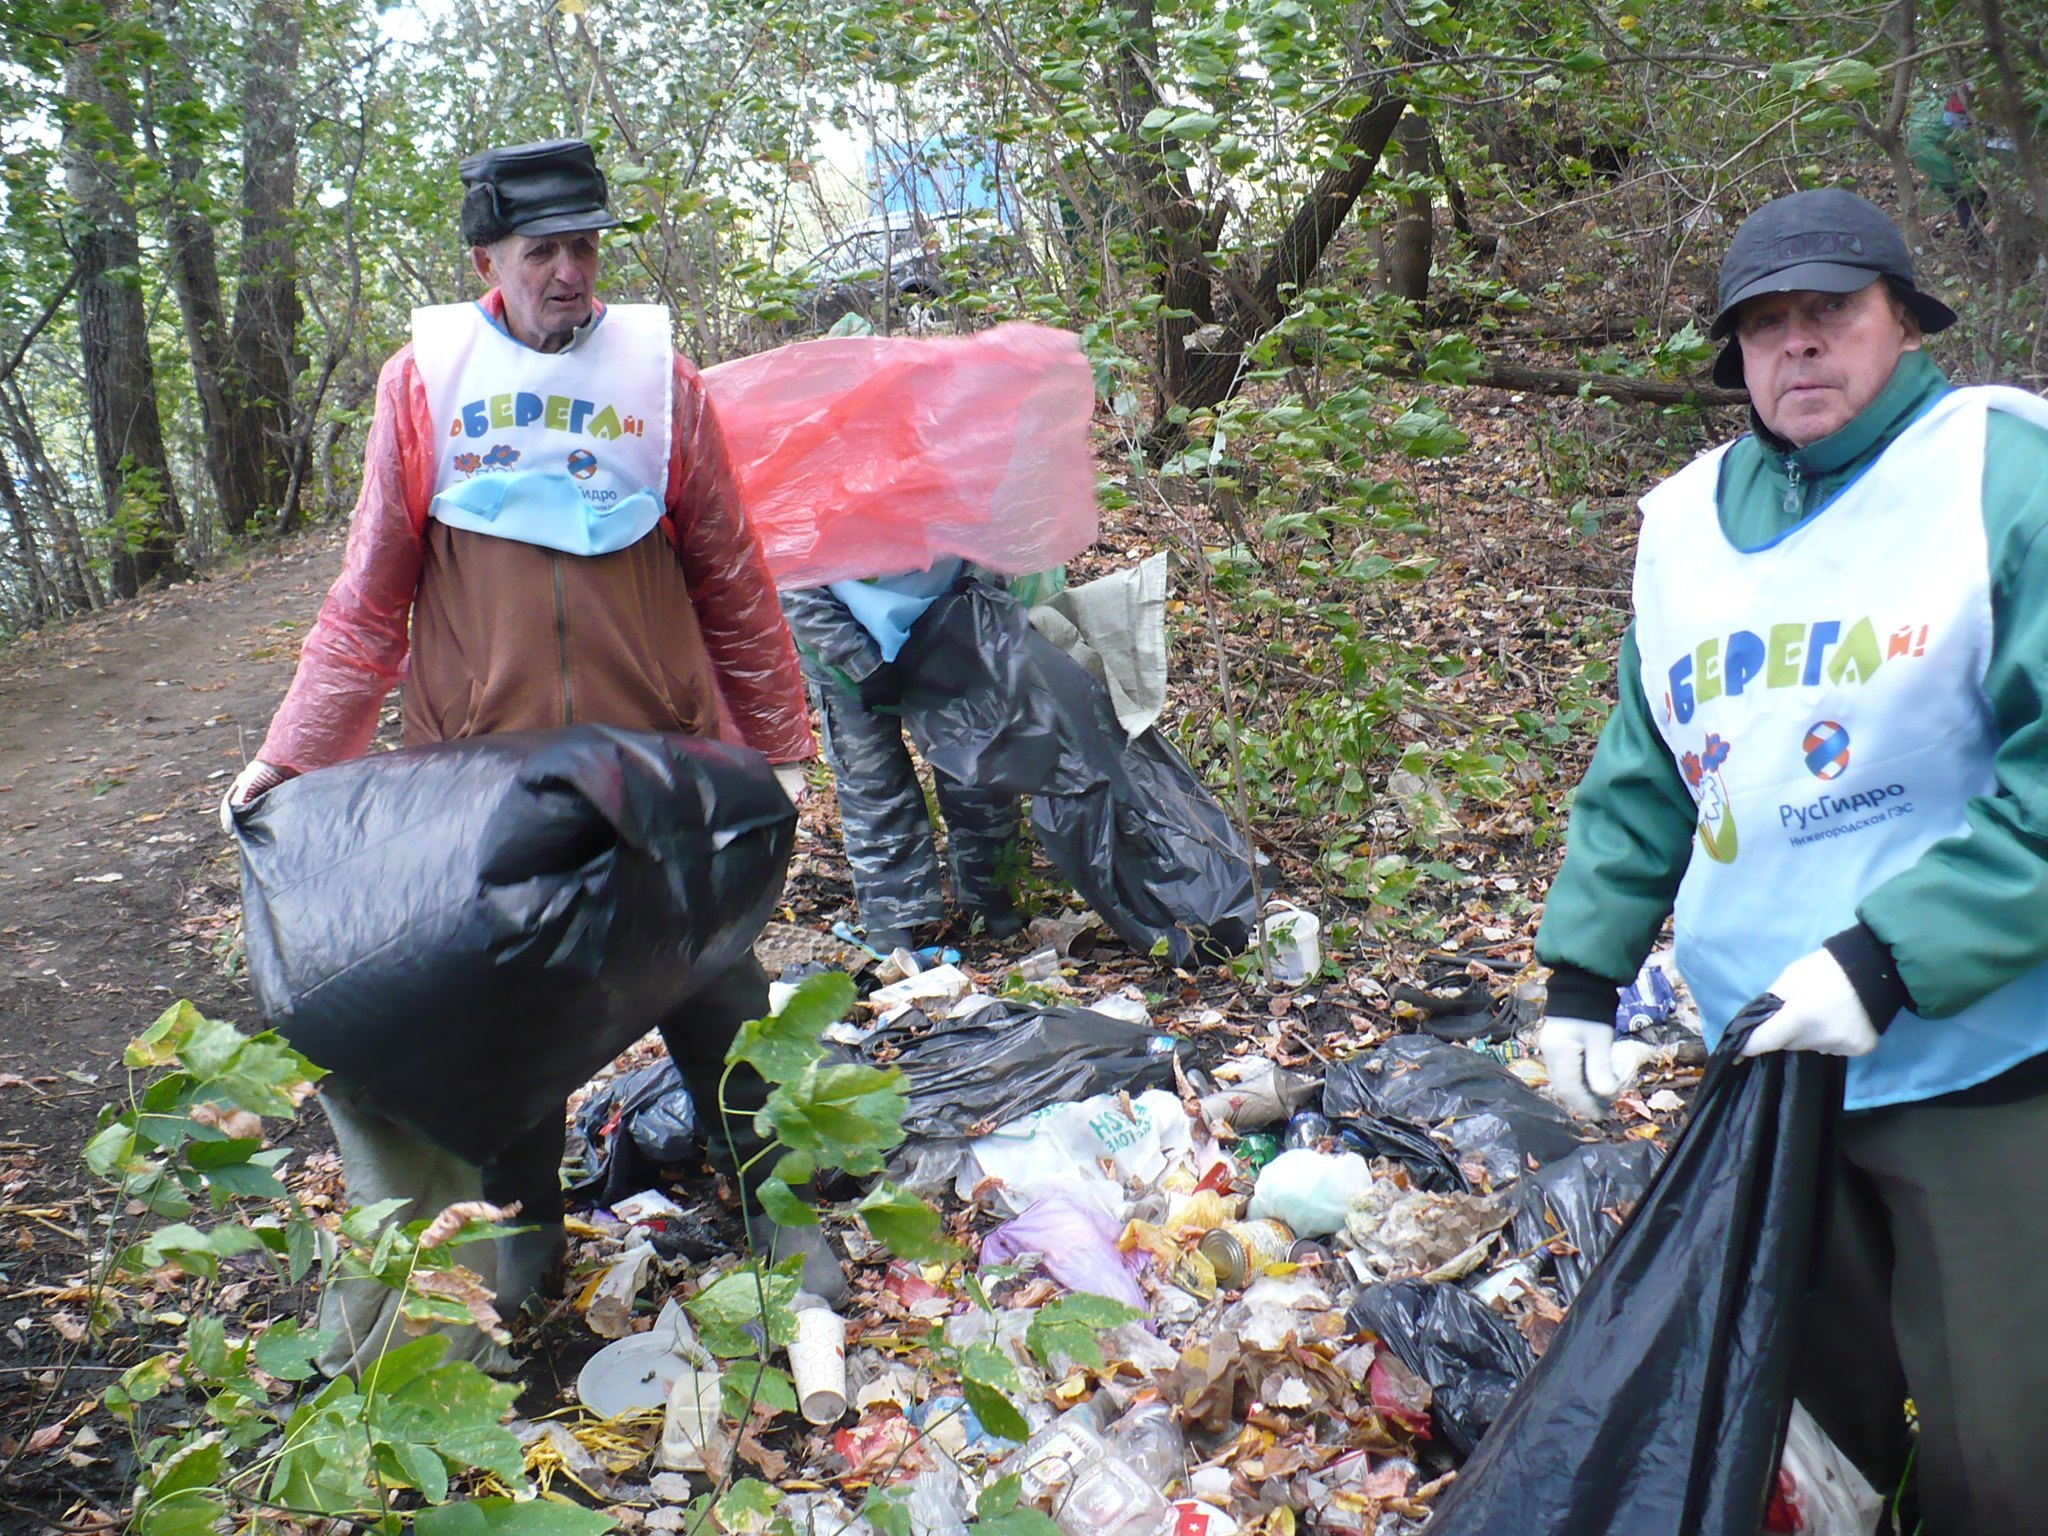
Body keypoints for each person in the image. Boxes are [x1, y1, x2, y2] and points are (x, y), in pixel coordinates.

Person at [224, 138, 836, 1373]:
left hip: (650, 769)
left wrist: (776, 748)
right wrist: (292, 760)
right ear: (487, 262)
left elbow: (730, 573)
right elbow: (365, 602)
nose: (569, 272)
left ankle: (782, 1222)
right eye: (542, 250)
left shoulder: (660, 382)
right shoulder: (421, 385)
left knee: (719, 998)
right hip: (481, 786)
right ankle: (522, 1256)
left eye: (586, 246)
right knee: (505, 1031)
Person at [1534, 187, 2048, 1531]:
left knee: (2010, 1434)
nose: (1800, 344)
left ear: (1902, 322)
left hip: (1982, 1058)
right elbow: (1649, 764)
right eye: (1768, 324)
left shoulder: (2001, 467)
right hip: (1767, 1061)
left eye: (1833, 311)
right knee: (1816, 1423)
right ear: (1734, 356)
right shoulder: (1686, 524)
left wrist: (1889, 958)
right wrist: (1582, 976)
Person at [781, 567, 1025, 951]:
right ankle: (893, 910)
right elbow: (791, 581)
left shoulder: (956, 504)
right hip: (839, 632)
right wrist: (858, 660)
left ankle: (988, 894)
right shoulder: (808, 509)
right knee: (873, 779)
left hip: (949, 623)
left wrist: (969, 616)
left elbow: (992, 546)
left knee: (978, 767)